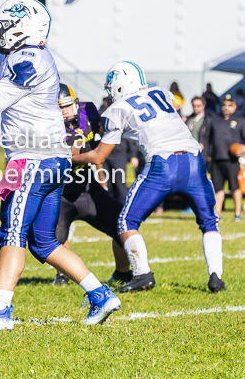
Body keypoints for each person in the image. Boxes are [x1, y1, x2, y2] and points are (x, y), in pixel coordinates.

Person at [0, 0, 121, 330]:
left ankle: (0, 311)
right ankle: (101, 294)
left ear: (22, 30)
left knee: (12, 233)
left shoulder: (28, 60)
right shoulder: (22, 53)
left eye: (4, 26)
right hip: (51, 158)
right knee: (43, 241)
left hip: (33, 158)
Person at [73, 61, 224, 293]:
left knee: (126, 221)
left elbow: (98, 156)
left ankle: (143, 274)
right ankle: (215, 277)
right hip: (194, 160)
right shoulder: (161, 94)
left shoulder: (118, 109)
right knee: (209, 221)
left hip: (163, 164)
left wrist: (69, 158)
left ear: (121, 84)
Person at [51, 84, 131, 286]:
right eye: (59, 107)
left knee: (122, 225)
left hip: (88, 190)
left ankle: (122, 272)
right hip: (61, 194)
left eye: (67, 105)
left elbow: (104, 129)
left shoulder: (89, 111)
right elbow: (74, 154)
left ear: (76, 103)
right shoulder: (49, 127)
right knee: (53, 239)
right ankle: (63, 273)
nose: (64, 111)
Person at [200, 94, 245, 221]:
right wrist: (206, 155)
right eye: (224, 105)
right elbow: (206, 139)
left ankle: (237, 213)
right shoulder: (214, 120)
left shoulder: (240, 120)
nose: (226, 108)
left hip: (232, 160)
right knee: (217, 188)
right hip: (216, 159)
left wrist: (243, 148)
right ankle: (217, 213)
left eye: (229, 105)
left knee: (234, 187)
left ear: (235, 107)